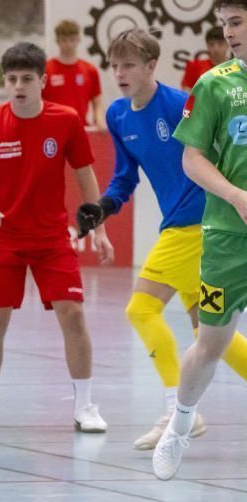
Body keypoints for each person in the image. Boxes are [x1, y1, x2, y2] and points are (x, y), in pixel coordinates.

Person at [77, 28, 247, 451]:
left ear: (152, 66)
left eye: (129, 65)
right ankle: (182, 411)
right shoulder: (118, 115)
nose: (119, 73)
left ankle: (177, 409)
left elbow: (208, 157)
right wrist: (103, 208)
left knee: (141, 309)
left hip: (199, 223)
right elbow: (124, 177)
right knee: (213, 335)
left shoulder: (178, 105)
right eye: (114, 65)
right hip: (177, 225)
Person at [0, 42, 114, 433]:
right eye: (12, 79)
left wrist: (98, 227)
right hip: (3, 240)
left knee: (74, 314)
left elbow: (85, 174)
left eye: (27, 79)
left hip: (52, 239)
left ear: (43, 81)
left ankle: (85, 405)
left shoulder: (66, 120)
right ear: (4, 82)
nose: (19, 86)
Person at [152, 0, 247, 480]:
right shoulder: (214, 85)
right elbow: (192, 159)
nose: (227, 32)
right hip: (228, 238)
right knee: (211, 343)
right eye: (223, 23)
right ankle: (180, 423)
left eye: (236, 22)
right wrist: (236, 196)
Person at [43, 19, 106, 130]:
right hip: (52, 130)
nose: (68, 45)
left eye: (72, 40)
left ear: (78, 40)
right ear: (57, 41)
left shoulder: (90, 70)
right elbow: (38, 102)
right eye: (64, 40)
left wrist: (100, 121)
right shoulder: (46, 69)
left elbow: (97, 103)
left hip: (81, 129)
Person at [180, 26, 229, 91]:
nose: (216, 49)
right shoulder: (195, 67)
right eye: (211, 44)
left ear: (228, 44)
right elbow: (186, 91)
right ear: (207, 45)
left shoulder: (237, 67)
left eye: (220, 44)